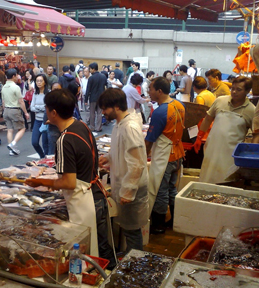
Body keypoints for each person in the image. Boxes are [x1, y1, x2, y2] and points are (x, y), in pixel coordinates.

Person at [25, 89, 116, 268]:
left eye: (46, 109)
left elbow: (69, 182)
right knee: (101, 248)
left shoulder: (64, 139)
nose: (45, 112)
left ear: (53, 113)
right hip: (96, 195)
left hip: (84, 201)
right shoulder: (81, 125)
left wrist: (40, 182)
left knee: (84, 253)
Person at [98, 88, 149, 253]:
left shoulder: (130, 127)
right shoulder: (119, 124)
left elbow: (138, 163)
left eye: (105, 108)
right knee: (127, 228)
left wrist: (128, 190)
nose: (103, 112)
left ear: (116, 107)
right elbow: (122, 151)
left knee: (132, 230)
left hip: (133, 187)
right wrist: (109, 157)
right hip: (124, 183)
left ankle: (135, 264)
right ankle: (129, 256)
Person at [194, 76, 255, 184]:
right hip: (212, 149)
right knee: (206, 178)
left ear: (247, 91)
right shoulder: (220, 101)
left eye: (239, 89)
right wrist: (199, 137)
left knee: (226, 181)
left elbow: (256, 134)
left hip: (231, 155)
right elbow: (207, 119)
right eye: (233, 88)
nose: (234, 92)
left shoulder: (251, 110)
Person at [146, 77, 185, 234]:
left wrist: (140, 157)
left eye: (151, 88)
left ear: (159, 91)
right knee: (171, 189)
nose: (149, 91)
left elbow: (149, 140)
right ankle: (174, 220)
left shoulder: (160, 112)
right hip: (178, 154)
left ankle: (158, 225)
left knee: (160, 190)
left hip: (166, 156)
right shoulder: (179, 105)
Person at [2, 68, 29, 156]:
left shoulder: (3, 87)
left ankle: (11, 150)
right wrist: (25, 112)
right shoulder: (15, 87)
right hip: (14, 110)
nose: (18, 77)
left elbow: (3, 101)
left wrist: (4, 109)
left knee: (10, 130)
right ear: (13, 76)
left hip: (6, 110)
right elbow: (21, 101)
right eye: (17, 75)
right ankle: (13, 144)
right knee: (22, 128)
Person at [30, 74, 49, 159]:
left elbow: (47, 108)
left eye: (41, 81)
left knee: (46, 144)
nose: (39, 82)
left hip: (46, 121)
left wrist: (37, 107)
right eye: (37, 81)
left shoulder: (48, 93)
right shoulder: (35, 93)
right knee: (34, 142)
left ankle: (47, 161)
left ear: (45, 82)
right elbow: (31, 107)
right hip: (37, 121)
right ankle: (42, 156)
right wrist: (41, 107)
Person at [85, 62, 107, 132]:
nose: (89, 70)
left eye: (90, 69)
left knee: (92, 113)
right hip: (101, 98)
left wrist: (86, 100)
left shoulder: (91, 78)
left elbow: (88, 89)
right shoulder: (103, 76)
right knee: (99, 113)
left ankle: (92, 127)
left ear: (93, 69)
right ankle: (99, 127)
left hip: (93, 98)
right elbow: (106, 87)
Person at [46, 82, 62, 155]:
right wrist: (58, 120)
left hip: (64, 132)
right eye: (54, 89)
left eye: (58, 89)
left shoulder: (65, 101)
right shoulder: (49, 103)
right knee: (52, 154)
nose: (56, 92)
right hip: (53, 132)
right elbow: (45, 120)